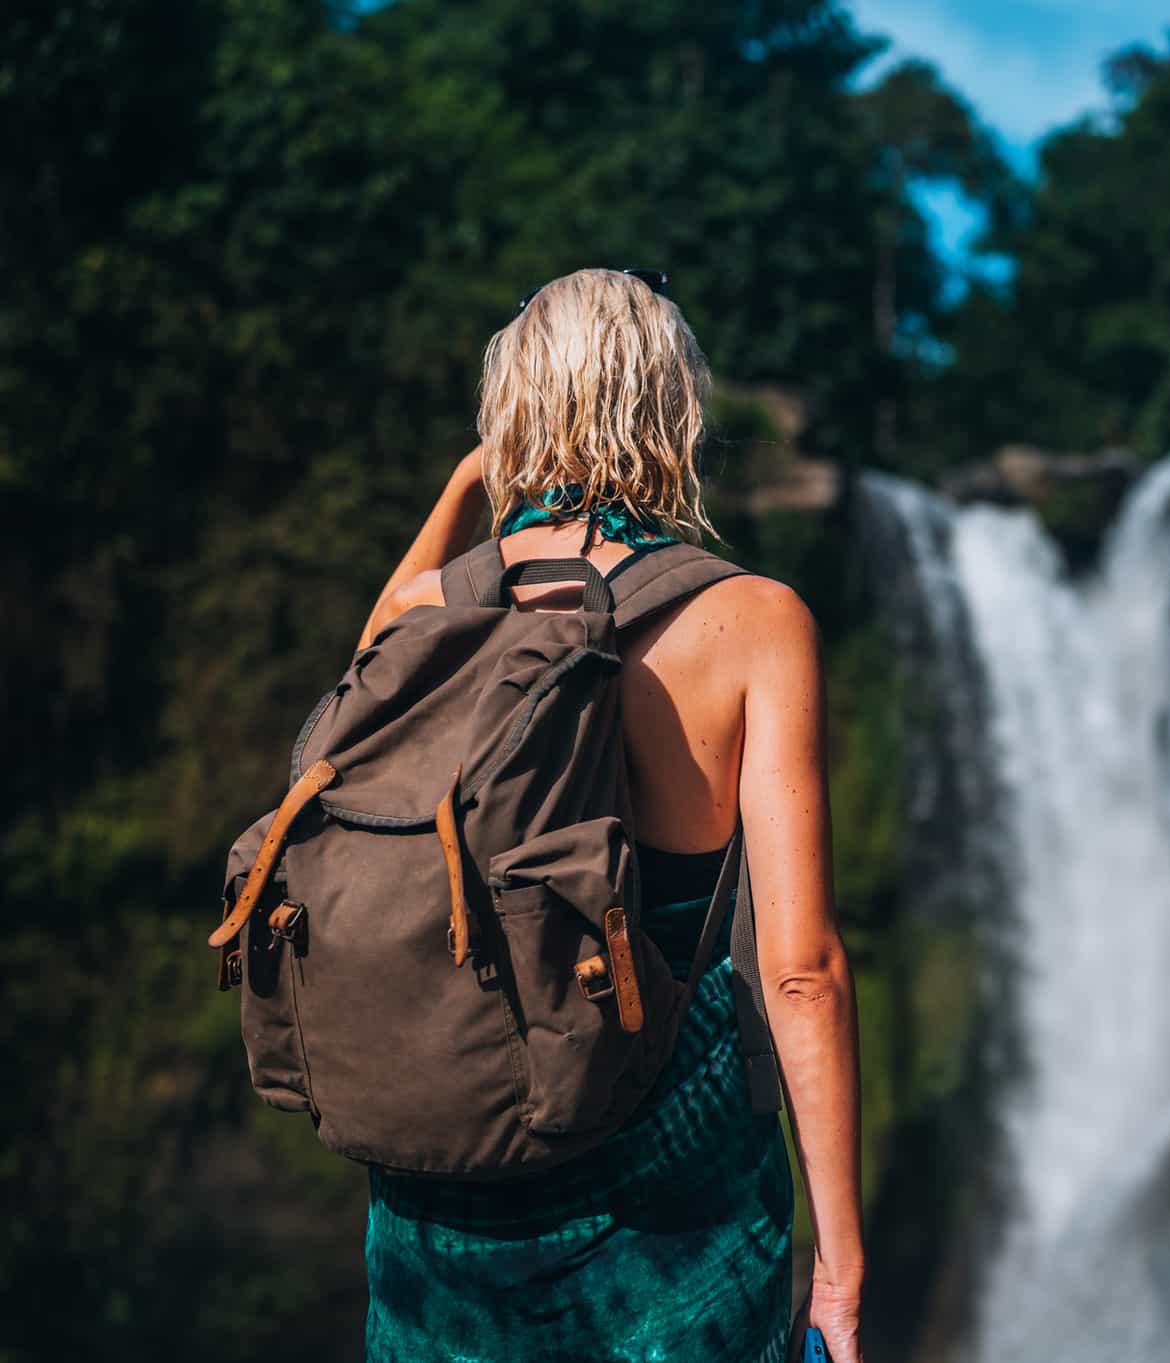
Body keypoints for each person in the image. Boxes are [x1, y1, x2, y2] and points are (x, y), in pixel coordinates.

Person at [353, 268, 863, 1363]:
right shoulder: (750, 620)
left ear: (513, 413)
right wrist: (839, 1265)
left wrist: (469, 483)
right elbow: (799, 970)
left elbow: (365, 664)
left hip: (447, 1197)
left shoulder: (427, 615)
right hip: (671, 1199)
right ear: (674, 410)